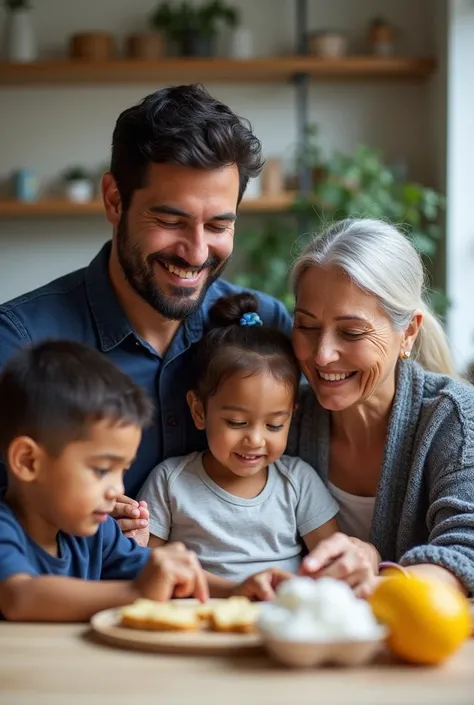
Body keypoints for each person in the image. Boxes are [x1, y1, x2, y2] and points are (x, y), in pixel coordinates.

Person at [0, 84, 292, 541]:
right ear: (114, 201)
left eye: (218, 225)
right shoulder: (18, 344)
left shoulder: (265, 328)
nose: (196, 252)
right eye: (171, 221)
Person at [138, 293, 378, 600]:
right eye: (237, 423)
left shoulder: (297, 482)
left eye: (274, 425)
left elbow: (332, 562)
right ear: (199, 411)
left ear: (292, 414)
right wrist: (233, 591)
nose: (255, 440)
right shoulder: (170, 482)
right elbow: (148, 569)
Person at [286, 218, 474, 595]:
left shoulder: (454, 418)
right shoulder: (282, 418)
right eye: (306, 327)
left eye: (351, 332)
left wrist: (379, 579)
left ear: (409, 331)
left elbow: (466, 549)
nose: (322, 355)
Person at [0, 340, 208, 622]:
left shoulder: (97, 532)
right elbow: (20, 598)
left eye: (122, 471)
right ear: (28, 461)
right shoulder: (5, 528)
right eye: (101, 470)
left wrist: (239, 589)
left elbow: (161, 576)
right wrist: (136, 592)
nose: (118, 490)